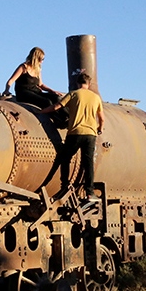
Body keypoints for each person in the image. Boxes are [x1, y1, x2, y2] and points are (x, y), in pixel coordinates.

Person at [42, 71, 104, 201]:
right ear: (89, 83)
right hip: (91, 134)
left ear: (77, 83)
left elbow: (57, 106)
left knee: (65, 158)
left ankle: (64, 185)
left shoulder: (73, 94)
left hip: (75, 133)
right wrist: (99, 129)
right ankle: (89, 192)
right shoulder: (96, 97)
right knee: (88, 163)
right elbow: (101, 119)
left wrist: (42, 111)